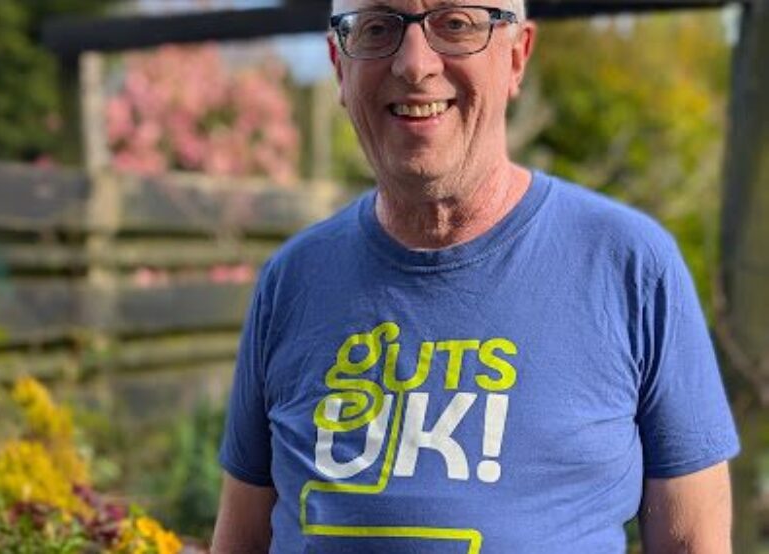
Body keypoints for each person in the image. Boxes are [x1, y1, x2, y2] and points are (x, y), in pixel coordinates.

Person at [212, 0, 740, 552]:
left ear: (517, 56)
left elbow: (692, 541)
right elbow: (240, 538)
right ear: (339, 65)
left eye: (456, 24)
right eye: (376, 28)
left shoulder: (629, 267)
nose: (415, 64)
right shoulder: (292, 280)